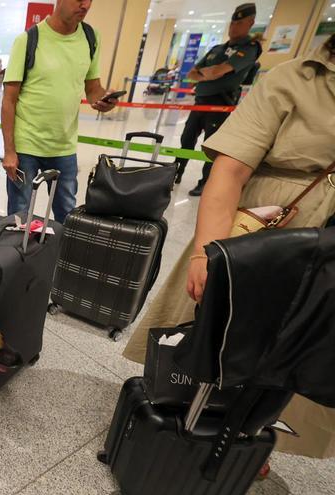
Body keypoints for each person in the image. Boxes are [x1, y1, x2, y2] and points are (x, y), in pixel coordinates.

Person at [123, 33, 335, 461]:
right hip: (267, 236)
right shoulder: (292, 79)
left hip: (327, 258)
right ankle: (181, 429)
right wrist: (206, 252)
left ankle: (249, 438)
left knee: (298, 351)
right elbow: (231, 168)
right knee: (221, 337)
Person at [1, 0, 117, 223]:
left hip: (64, 147)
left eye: (90, 0)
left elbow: (92, 88)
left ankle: (62, 258)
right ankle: (18, 256)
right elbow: (9, 100)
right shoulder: (27, 40)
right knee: (19, 214)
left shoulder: (91, 37)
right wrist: (9, 151)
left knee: (67, 214)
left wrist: (103, 100)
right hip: (27, 146)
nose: (85, 5)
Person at [174, 3, 262, 194]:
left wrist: (209, 73)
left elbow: (217, 71)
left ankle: (205, 182)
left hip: (221, 104)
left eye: (239, 23)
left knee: (211, 146)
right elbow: (192, 73)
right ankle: (175, 173)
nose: (233, 27)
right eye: (232, 23)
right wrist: (210, 73)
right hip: (200, 102)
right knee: (186, 138)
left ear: (250, 23)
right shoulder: (217, 49)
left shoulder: (249, 48)